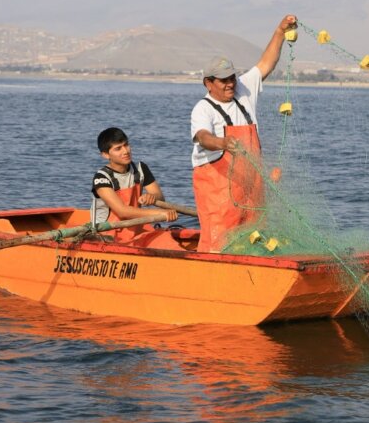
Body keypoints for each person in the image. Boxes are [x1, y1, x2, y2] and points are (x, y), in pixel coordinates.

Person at [190, 13, 297, 253]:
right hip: (218, 194)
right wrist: (222, 143)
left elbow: (266, 63)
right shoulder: (203, 109)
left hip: (252, 189)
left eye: (232, 78)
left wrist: (280, 31)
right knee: (219, 245)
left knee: (254, 241)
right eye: (222, 80)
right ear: (208, 83)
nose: (230, 84)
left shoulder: (244, 90)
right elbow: (203, 138)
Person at [91, 127, 176, 242]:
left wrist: (152, 197)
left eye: (126, 145)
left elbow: (160, 197)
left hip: (135, 229)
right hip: (107, 235)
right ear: (106, 155)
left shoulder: (141, 169)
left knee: (166, 239)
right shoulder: (101, 178)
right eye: (118, 148)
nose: (126, 151)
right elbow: (122, 212)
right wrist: (160, 213)